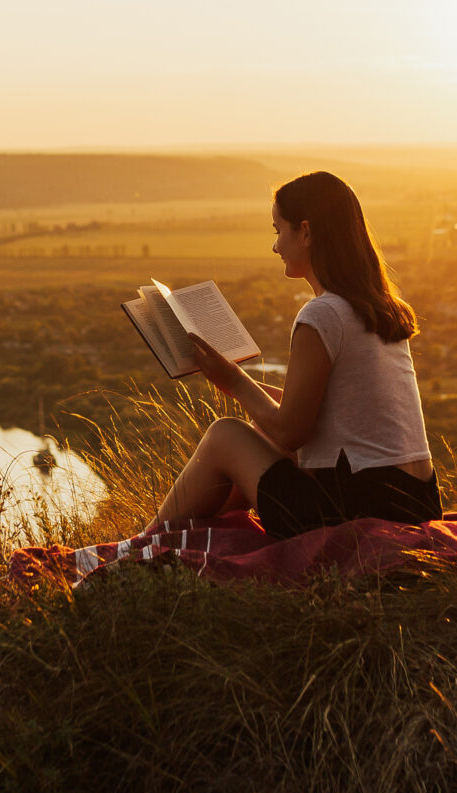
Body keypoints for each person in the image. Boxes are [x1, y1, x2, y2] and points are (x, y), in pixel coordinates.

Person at [141, 170, 441, 538]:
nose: (275, 246)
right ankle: (195, 534)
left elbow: (291, 431)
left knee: (225, 435)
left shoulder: (323, 314)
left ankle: (141, 545)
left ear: (307, 232)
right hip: (415, 502)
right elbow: (327, 413)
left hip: (358, 513)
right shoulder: (381, 309)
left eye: (278, 231)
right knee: (258, 432)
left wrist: (232, 379)